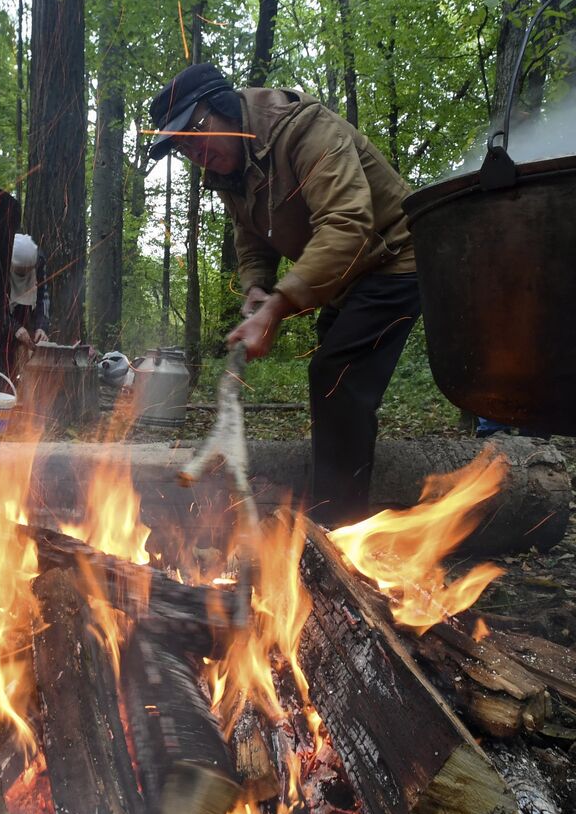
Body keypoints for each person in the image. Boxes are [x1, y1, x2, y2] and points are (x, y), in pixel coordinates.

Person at [148, 63, 419, 528]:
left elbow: (348, 224)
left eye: (197, 131)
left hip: (395, 256)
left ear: (225, 107)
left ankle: (338, 530)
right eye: (183, 147)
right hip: (346, 279)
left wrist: (279, 304)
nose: (196, 152)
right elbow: (250, 233)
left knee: (337, 375)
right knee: (332, 383)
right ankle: (337, 508)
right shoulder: (232, 170)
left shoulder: (302, 129)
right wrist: (256, 284)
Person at [4, 233, 49, 380]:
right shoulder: (0, 263)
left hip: (27, 314)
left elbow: (43, 296)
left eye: (28, 270)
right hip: (2, 323)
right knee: (4, 363)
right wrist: (14, 327)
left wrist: (41, 326)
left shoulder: (39, 261)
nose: (24, 274)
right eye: (20, 271)